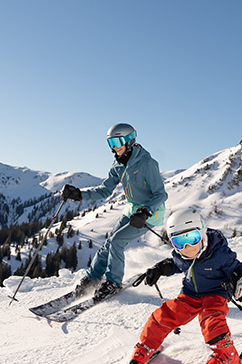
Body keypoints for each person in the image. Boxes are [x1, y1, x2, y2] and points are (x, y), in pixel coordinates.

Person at [125, 209, 242, 364]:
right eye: (179, 241)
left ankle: (227, 356)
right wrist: (159, 269)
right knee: (162, 316)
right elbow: (174, 264)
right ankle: (147, 346)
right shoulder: (181, 254)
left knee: (211, 319)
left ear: (201, 233)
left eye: (192, 238)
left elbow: (238, 269)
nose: (187, 247)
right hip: (190, 295)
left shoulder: (219, 253)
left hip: (216, 294)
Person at [61, 123, 167, 298]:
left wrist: (146, 211)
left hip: (149, 213)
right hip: (131, 210)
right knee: (109, 243)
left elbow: (161, 194)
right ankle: (93, 278)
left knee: (117, 241)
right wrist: (79, 195)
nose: (114, 147)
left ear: (129, 140)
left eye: (117, 142)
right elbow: (105, 190)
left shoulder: (147, 164)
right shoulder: (118, 164)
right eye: (110, 143)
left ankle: (113, 282)